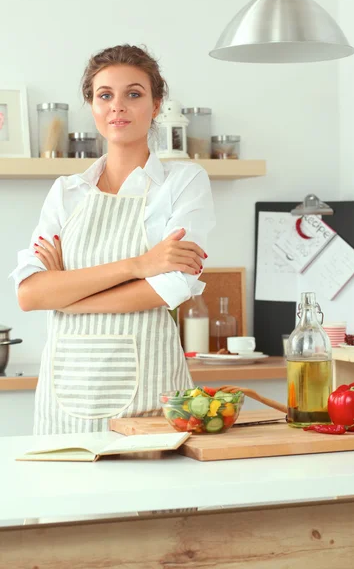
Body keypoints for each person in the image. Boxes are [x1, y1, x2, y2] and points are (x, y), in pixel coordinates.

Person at [10, 44, 215, 435]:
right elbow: (30, 294)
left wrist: (68, 297)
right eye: (105, 95)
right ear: (92, 105)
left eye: (133, 94)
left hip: (150, 397)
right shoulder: (66, 192)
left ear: (156, 105)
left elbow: (171, 286)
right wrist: (139, 266)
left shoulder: (184, 182)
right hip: (65, 397)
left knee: (155, 495)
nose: (117, 106)